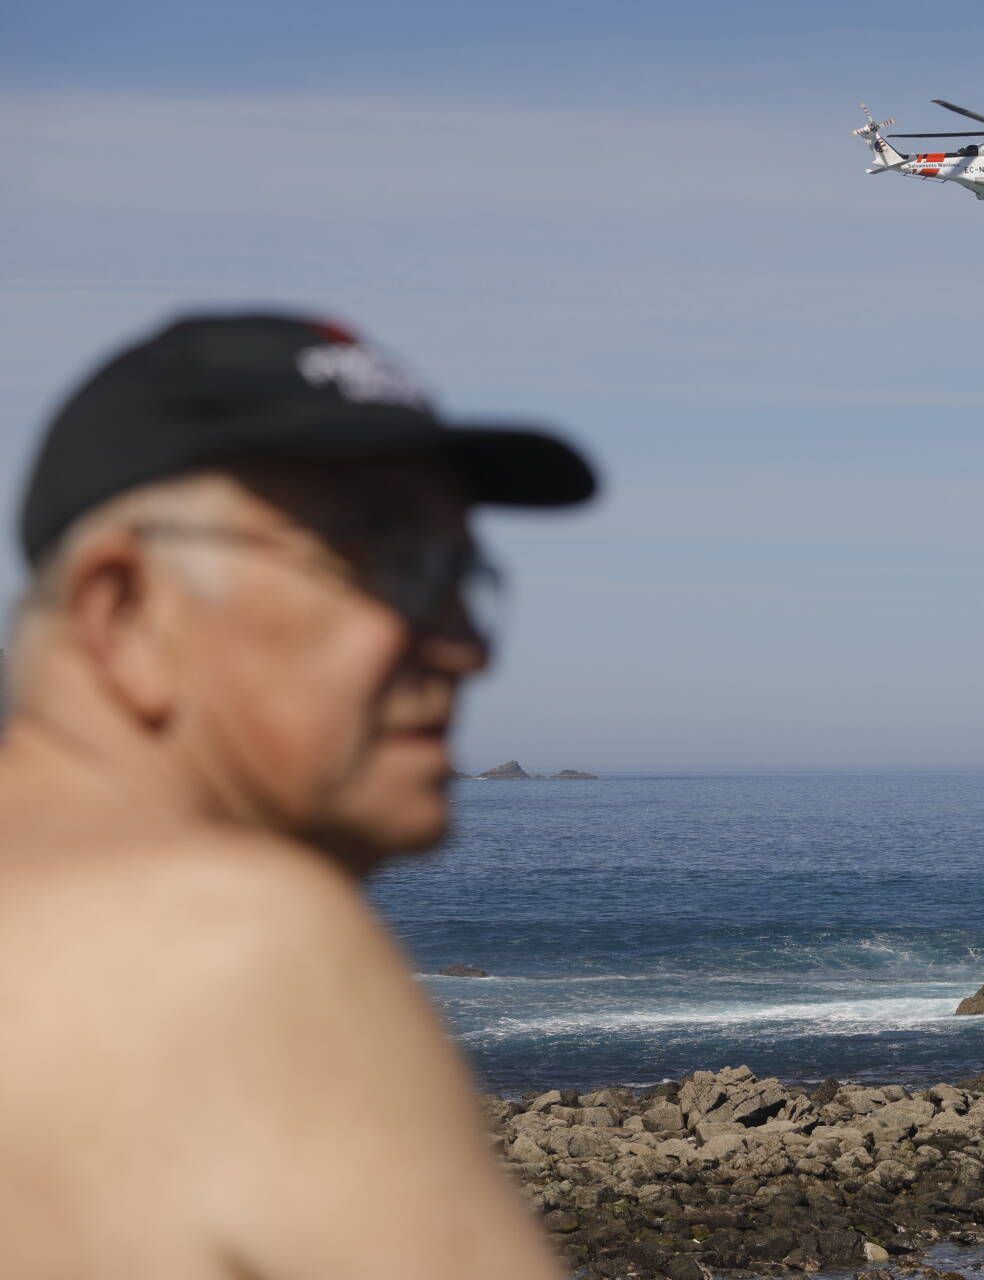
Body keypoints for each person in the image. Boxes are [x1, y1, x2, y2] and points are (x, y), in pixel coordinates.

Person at [0, 313, 596, 1277]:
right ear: (125, 609)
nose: (468, 647)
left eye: (468, 578)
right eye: (393, 564)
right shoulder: (227, 938)